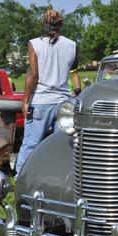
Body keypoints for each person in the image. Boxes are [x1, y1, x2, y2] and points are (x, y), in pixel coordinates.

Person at [15, 9, 81, 177]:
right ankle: (62, 177)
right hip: (64, 104)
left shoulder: (34, 44)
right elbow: (73, 68)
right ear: (62, 26)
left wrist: (25, 101)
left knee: (31, 144)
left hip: (41, 101)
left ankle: (21, 178)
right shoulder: (72, 45)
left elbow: (33, 75)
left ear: (43, 24)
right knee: (64, 144)